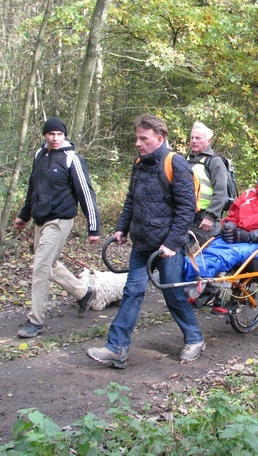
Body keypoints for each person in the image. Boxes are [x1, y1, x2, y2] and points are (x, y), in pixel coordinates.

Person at [86, 114, 204, 368]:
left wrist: (172, 244)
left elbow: (187, 210)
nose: (138, 143)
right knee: (132, 292)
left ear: (159, 138)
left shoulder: (177, 164)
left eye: (143, 138)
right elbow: (132, 199)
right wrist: (121, 228)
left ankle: (194, 338)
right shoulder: (139, 163)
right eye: (137, 138)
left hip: (167, 247)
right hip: (142, 243)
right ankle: (116, 348)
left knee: (172, 294)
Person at [14, 117, 100, 338]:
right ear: (45, 135)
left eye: (59, 134)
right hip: (40, 220)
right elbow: (33, 188)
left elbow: (86, 194)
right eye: (51, 134)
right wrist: (24, 216)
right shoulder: (39, 155)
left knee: (41, 267)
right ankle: (83, 292)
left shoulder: (72, 159)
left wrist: (94, 227)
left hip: (60, 220)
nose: (55, 138)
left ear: (64, 136)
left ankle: (36, 320)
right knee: (48, 263)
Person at [185, 161, 258, 304]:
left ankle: (193, 274)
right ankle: (186, 270)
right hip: (239, 238)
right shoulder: (248, 194)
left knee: (226, 255)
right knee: (210, 248)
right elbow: (234, 216)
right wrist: (229, 226)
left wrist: (251, 236)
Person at [186, 122, 228, 244]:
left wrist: (211, 216)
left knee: (209, 256)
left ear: (208, 140)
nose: (194, 141)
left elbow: (221, 192)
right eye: (192, 138)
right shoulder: (186, 159)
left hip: (205, 219)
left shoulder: (215, 162)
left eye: (198, 138)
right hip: (187, 216)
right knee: (179, 254)